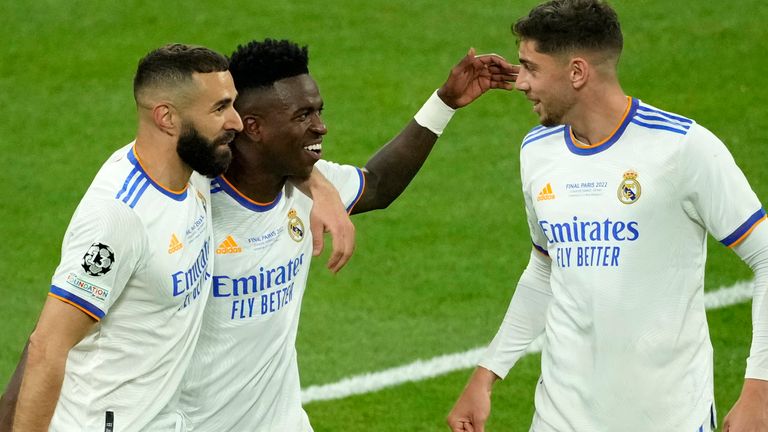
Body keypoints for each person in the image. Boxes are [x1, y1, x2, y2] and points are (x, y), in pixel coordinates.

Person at [446, 1, 768, 431]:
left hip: (667, 419)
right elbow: (545, 269)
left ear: (577, 72)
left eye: (531, 67)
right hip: (559, 418)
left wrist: (759, 392)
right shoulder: (537, 151)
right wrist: (487, 374)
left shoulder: (683, 148)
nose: (519, 82)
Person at [5, 43, 354, 432]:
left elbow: (273, 146)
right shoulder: (119, 216)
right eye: (221, 108)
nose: (237, 122)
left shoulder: (197, 173)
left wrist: (317, 183)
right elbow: (46, 348)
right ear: (167, 118)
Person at [177, 38, 518, 431]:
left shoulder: (300, 188)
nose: (320, 126)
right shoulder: (192, 202)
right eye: (303, 115)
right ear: (253, 127)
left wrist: (445, 101)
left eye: (319, 111)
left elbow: (378, 185)